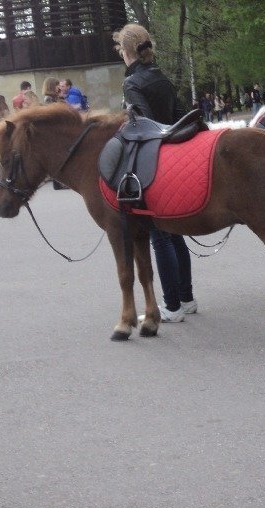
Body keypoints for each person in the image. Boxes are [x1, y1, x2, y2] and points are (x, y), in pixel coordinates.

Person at [113, 22, 196, 323]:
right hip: (174, 155)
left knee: (160, 237)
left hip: (153, 162)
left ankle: (172, 306)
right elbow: (181, 116)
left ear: (127, 52)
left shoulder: (131, 83)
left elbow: (145, 126)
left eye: (121, 50)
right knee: (176, 235)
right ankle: (186, 298)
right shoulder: (161, 76)